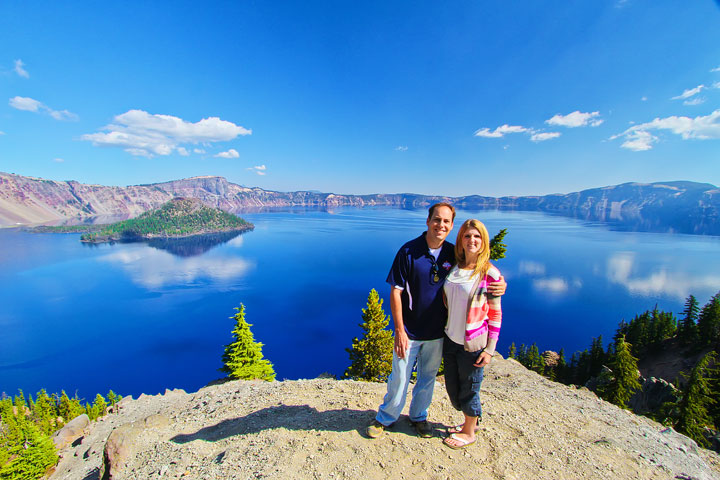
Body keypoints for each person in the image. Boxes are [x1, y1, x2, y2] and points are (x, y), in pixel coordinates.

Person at [366, 204, 506, 439]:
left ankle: (419, 416)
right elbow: (395, 292)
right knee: (399, 377)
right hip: (409, 331)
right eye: (437, 220)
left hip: (439, 333)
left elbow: (478, 264)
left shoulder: (454, 253)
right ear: (428, 221)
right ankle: (385, 418)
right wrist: (399, 330)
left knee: (427, 378)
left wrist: (500, 282)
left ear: (452, 226)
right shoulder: (408, 251)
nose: (441, 225)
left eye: (446, 222)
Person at [441, 219, 502, 449]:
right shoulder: (455, 267)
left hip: (473, 343)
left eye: (477, 237)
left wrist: (490, 349)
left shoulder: (489, 274)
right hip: (451, 338)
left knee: (470, 387)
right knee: (453, 388)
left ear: (483, 241)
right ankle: (471, 420)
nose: (472, 240)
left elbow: (495, 314)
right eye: (467, 236)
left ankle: (469, 431)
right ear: (461, 240)